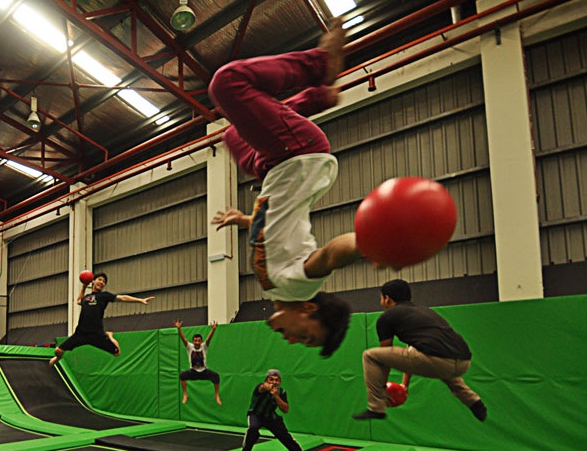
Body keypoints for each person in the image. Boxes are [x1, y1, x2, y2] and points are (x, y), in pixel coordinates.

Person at [208, 20, 359, 358]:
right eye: (306, 337)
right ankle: (320, 67)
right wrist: (370, 242)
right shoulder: (298, 286)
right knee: (228, 84)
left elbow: (274, 227)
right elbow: (332, 254)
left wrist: (243, 220)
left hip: (274, 167)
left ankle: (315, 99)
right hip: (300, 154)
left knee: (232, 136)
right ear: (308, 311)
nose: (292, 340)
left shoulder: (274, 284)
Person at [354, 279, 487, 421]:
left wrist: (382, 389)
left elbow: (384, 360)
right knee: (438, 362)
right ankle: (474, 401)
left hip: (436, 360)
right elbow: (413, 350)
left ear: (387, 298)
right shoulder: (425, 312)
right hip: (463, 362)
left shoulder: (386, 318)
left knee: (370, 355)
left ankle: (375, 408)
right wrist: (404, 385)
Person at [49, 273, 155, 366]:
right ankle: (58, 358)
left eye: (104, 281)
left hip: (97, 334)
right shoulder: (86, 298)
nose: (102, 282)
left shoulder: (104, 296)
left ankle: (110, 336)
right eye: (99, 279)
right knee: (58, 351)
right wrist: (84, 286)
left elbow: (122, 298)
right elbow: (78, 301)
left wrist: (140, 300)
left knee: (117, 353)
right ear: (93, 281)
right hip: (81, 333)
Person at [238, 369, 312, 451]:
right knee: (253, 428)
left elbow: (285, 409)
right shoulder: (260, 387)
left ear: (280, 382)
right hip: (256, 414)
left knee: (286, 438)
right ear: (266, 380)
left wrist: (276, 396)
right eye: (271, 379)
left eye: (276, 380)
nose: (274, 382)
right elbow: (262, 388)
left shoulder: (281, 392)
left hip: (271, 416)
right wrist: (267, 387)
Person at [175, 320, 221, 405]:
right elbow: (183, 339)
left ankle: (217, 395)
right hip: (193, 372)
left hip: (204, 371)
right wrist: (179, 329)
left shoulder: (204, 346)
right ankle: (185, 394)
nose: (197, 342)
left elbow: (208, 339)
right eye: (195, 341)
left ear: (201, 341)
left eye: (198, 341)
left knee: (216, 376)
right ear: (193, 341)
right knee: (182, 375)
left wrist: (213, 329)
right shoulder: (190, 347)